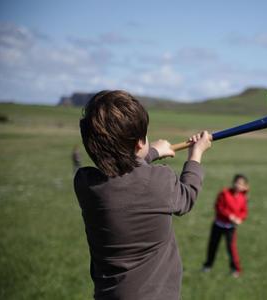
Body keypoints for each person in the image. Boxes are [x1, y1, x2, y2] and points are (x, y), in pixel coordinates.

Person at [73, 90, 211, 300]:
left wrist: (151, 153)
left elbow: (123, 175)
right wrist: (195, 156)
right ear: (139, 143)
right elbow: (187, 196)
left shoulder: (85, 183)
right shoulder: (160, 179)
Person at [202, 174, 249, 278]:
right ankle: (208, 265)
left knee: (231, 248)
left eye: (241, 184)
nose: (238, 185)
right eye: (237, 182)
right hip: (218, 225)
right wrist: (230, 216)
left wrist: (240, 219)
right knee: (213, 246)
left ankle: (235, 269)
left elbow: (244, 212)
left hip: (230, 227)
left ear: (245, 186)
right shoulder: (224, 193)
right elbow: (219, 207)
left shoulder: (243, 197)